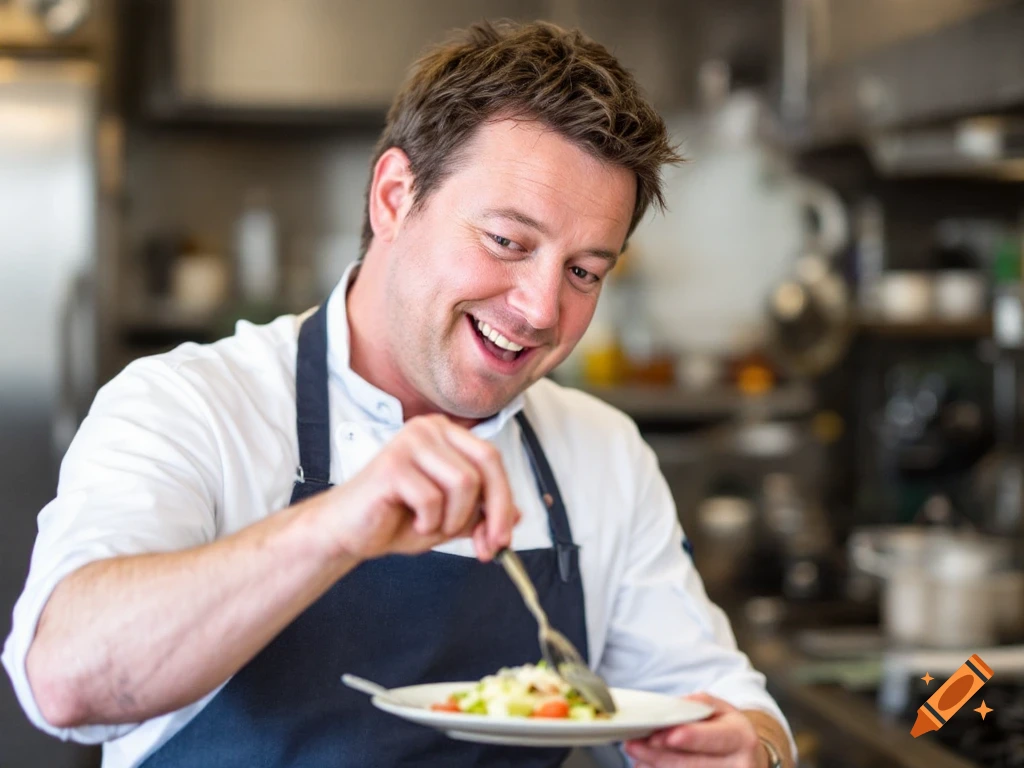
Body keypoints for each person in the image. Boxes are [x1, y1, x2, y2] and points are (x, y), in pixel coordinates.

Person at [4, 20, 794, 768]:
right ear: (393, 197)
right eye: (507, 242)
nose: (542, 309)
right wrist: (336, 529)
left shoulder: (601, 452)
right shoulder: (192, 406)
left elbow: (729, 703)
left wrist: (749, 748)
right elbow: (65, 681)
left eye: (585, 271)